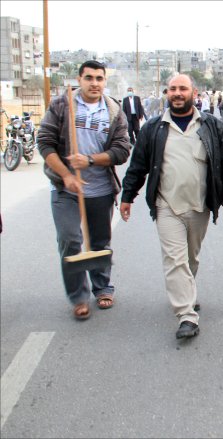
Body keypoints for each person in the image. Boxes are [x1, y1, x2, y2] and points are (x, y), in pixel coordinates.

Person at [120, 74, 223, 339]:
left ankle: (186, 291)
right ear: (167, 93)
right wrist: (128, 195)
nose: (177, 93)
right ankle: (186, 315)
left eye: (182, 88)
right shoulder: (153, 128)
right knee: (175, 260)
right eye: (172, 89)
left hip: (200, 206)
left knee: (190, 258)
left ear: (193, 93)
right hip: (166, 206)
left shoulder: (211, 125)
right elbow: (138, 165)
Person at [37, 60, 131, 320]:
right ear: (79, 80)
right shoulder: (62, 105)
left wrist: (89, 160)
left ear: (104, 81)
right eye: (89, 78)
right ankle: (78, 296)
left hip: (100, 189)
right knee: (70, 239)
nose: (94, 83)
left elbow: (122, 151)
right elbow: (45, 143)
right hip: (66, 188)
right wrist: (67, 175)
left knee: (99, 242)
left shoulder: (114, 110)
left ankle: (102, 287)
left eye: (99, 78)